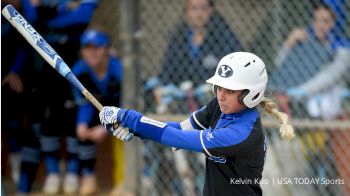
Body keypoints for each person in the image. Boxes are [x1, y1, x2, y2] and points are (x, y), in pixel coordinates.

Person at [100, 52, 295, 196]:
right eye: (218, 87)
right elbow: (180, 129)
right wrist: (135, 129)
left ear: (250, 94)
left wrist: (128, 117)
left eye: (230, 91)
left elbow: (176, 138)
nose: (221, 96)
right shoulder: (219, 107)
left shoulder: (242, 133)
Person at [15, 0, 99, 194]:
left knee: (72, 120)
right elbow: (31, 16)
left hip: (73, 64)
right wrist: (62, 9)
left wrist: (49, 19)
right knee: (47, 120)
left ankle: (72, 171)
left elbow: (83, 15)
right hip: (43, 69)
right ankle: (52, 172)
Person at [145, 0, 242, 114]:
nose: (198, 14)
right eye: (194, 9)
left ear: (211, 11)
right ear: (187, 12)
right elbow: (167, 69)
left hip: (209, 92)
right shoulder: (179, 36)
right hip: (180, 90)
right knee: (153, 87)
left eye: (203, 8)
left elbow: (234, 67)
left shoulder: (223, 35)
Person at [71, 28, 123, 195]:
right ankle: (88, 177)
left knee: (126, 130)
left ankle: (126, 180)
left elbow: (128, 106)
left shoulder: (118, 69)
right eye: (88, 47)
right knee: (83, 129)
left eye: (97, 47)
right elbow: (84, 104)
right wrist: (81, 124)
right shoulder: (79, 71)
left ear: (107, 49)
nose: (92, 52)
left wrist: (108, 128)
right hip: (99, 110)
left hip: (124, 111)